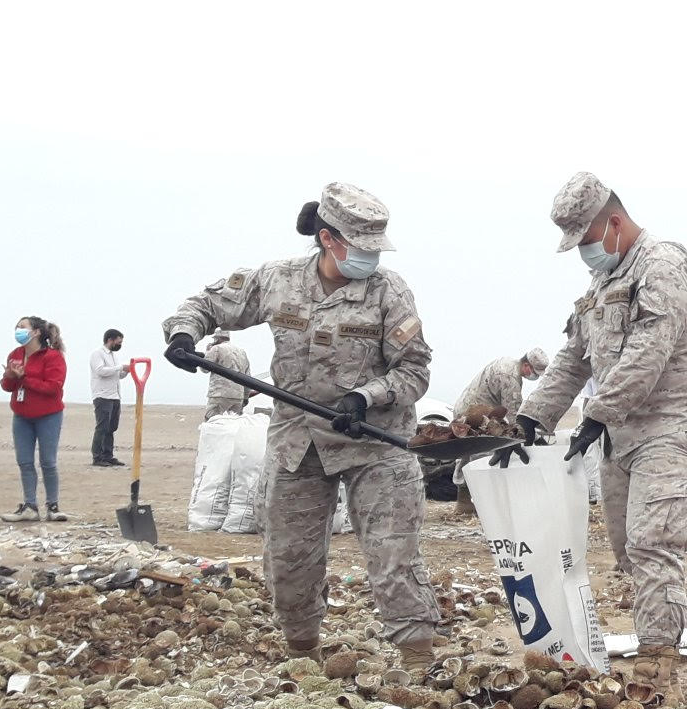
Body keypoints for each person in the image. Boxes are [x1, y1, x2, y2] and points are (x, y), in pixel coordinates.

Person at [162, 183, 442, 672]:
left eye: (377, 248)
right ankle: (303, 655)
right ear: (329, 238)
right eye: (361, 246)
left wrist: (364, 397)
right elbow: (208, 304)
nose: (370, 257)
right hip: (299, 442)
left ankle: (418, 659)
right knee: (290, 559)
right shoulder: (278, 280)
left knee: (393, 554)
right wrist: (184, 333)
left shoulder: (388, 291)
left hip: (374, 443)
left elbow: (414, 369)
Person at [517, 174, 687, 700]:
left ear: (613, 222)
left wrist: (597, 414)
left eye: (585, 241)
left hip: (672, 427)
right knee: (628, 549)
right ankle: (657, 640)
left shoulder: (665, 266)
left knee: (655, 544)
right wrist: (533, 417)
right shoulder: (599, 287)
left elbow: (649, 350)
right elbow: (573, 359)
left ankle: (657, 668)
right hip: (620, 433)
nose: (584, 254)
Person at [449, 348, 550, 518]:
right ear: (526, 365)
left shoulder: (507, 362)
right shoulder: (511, 379)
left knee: (467, 453)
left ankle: (464, 503)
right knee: (484, 455)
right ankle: (485, 505)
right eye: (535, 372)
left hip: (465, 408)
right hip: (476, 415)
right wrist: (534, 437)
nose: (535, 377)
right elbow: (515, 416)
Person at [0, 316, 67, 523]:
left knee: (48, 462)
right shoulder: (15, 355)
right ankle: (30, 506)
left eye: (22, 327)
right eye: (17, 326)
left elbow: (53, 387)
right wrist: (11, 376)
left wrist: (24, 379)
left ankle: (53, 507)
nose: (18, 330)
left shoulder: (53, 357)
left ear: (36, 332)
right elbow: (7, 386)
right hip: (22, 416)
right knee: (25, 462)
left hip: (48, 416)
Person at [89, 328, 127, 467]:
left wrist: (125, 371)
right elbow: (100, 371)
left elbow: (117, 375)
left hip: (115, 395)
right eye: (118, 342)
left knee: (111, 427)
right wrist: (119, 367)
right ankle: (97, 456)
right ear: (110, 340)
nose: (119, 344)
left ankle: (108, 455)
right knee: (102, 427)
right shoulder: (97, 354)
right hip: (102, 395)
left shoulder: (114, 356)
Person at [203, 332, 252, 419]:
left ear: (217, 339)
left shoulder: (216, 348)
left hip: (219, 394)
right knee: (233, 425)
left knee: (212, 422)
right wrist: (245, 397)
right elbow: (248, 377)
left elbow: (205, 369)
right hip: (238, 396)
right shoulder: (241, 352)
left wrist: (207, 352)